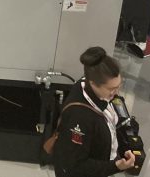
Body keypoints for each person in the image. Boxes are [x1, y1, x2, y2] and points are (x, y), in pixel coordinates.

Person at [53, 46, 137, 177]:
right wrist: (115, 166)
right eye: (111, 89)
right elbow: (76, 166)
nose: (116, 93)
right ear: (93, 83)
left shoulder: (87, 84)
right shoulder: (80, 118)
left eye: (119, 86)